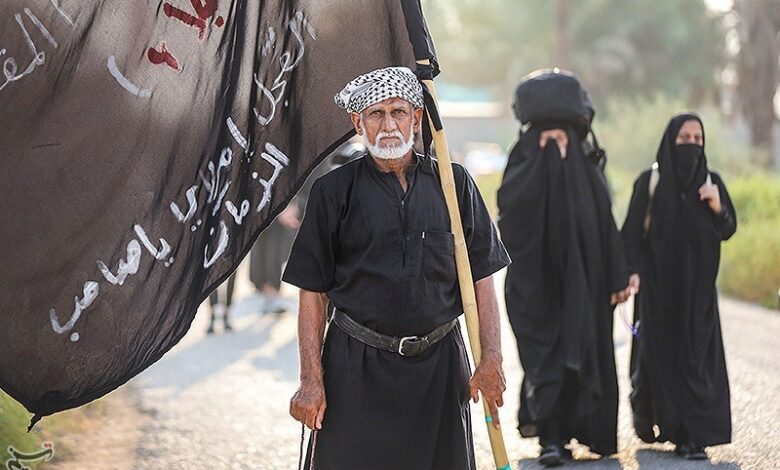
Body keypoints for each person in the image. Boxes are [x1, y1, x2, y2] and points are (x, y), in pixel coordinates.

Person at [282, 66, 511, 470]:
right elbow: (312, 292)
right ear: (358, 123)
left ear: (417, 119)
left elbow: (481, 279)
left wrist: (491, 358)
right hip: (356, 368)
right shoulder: (333, 192)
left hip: (439, 370)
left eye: (399, 112)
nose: (389, 125)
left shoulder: (454, 185)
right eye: (376, 114)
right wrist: (310, 380)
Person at [497, 71, 631, 466]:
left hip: (586, 287)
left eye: (562, 140)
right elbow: (509, 215)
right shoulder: (522, 168)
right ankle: (551, 441)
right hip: (535, 289)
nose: (555, 149)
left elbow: (606, 225)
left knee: (584, 355)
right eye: (545, 140)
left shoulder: (588, 174)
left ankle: (582, 433)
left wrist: (617, 276)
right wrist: (538, 166)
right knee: (545, 361)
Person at [621, 113, 736, 461]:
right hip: (658, 292)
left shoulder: (711, 181)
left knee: (697, 360)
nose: (691, 144)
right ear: (670, 141)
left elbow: (728, 229)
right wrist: (633, 272)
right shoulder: (650, 182)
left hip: (699, 294)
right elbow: (631, 235)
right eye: (684, 138)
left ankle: (693, 435)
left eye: (697, 138)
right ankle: (667, 425)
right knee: (661, 360)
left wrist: (717, 206)